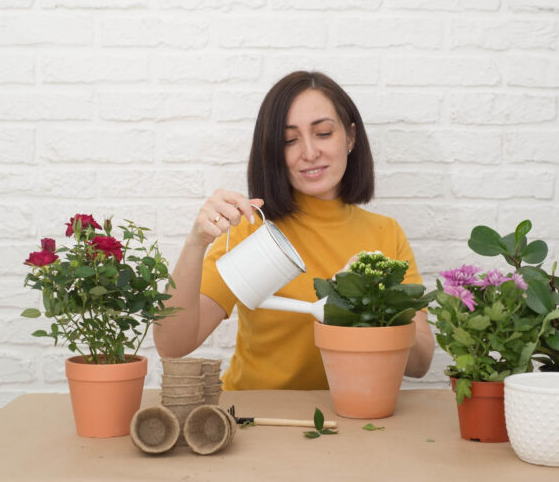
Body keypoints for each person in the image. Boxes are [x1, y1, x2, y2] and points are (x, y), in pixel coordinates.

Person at [154, 71, 433, 390]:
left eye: (324, 133)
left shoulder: (385, 233)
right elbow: (173, 345)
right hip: (257, 416)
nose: (310, 152)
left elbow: (421, 362)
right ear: (274, 151)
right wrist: (196, 242)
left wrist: (367, 306)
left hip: (351, 414)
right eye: (290, 140)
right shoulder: (251, 230)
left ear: (351, 137)